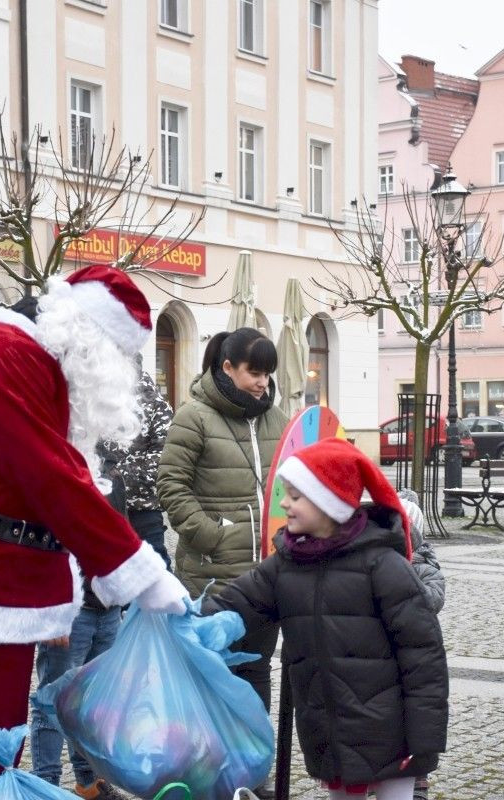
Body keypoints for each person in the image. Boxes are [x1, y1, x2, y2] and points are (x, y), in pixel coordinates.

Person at [0, 266, 189, 786]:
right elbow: (50, 476)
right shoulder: (5, 355)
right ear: (87, 336)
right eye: (116, 355)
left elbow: (53, 482)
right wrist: (142, 574)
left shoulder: (28, 362)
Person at [208, 438, 448, 800]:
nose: (284, 503)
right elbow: (238, 601)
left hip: (391, 734)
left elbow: (422, 655)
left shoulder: (383, 565)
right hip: (329, 730)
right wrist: (177, 615)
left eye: (295, 495)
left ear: (327, 503)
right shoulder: (286, 562)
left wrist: (425, 739)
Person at [157, 327, 288, 800]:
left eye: (268, 373)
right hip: (212, 579)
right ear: (227, 367)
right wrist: (209, 535)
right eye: (254, 371)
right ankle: (207, 775)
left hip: (266, 577)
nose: (261, 382)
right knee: (210, 676)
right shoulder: (193, 416)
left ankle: (252, 772)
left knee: (255, 671)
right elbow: (170, 484)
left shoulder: (277, 420)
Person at [28, 446, 129, 800]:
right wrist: (53, 608)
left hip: (107, 608)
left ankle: (87, 782)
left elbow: (121, 533)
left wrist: (127, 595)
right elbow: (43, 541)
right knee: (53, 700)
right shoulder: (56, 460)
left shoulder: (111, 466)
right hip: (71, 612)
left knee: (93, 702)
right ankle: (45, 785)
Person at [395, 489, 445, 800]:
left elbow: (433, 600)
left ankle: (418, 781)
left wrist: (401, 576)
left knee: (417, 722)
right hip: (385, 661)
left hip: (418, 660)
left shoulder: (425, 568)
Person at [104, 358, 175, 568]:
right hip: (102, 507)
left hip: (142, 508)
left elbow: (164, 451)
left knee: (156, 569)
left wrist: (122, 478)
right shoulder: (94, 395)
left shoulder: (153, 401)